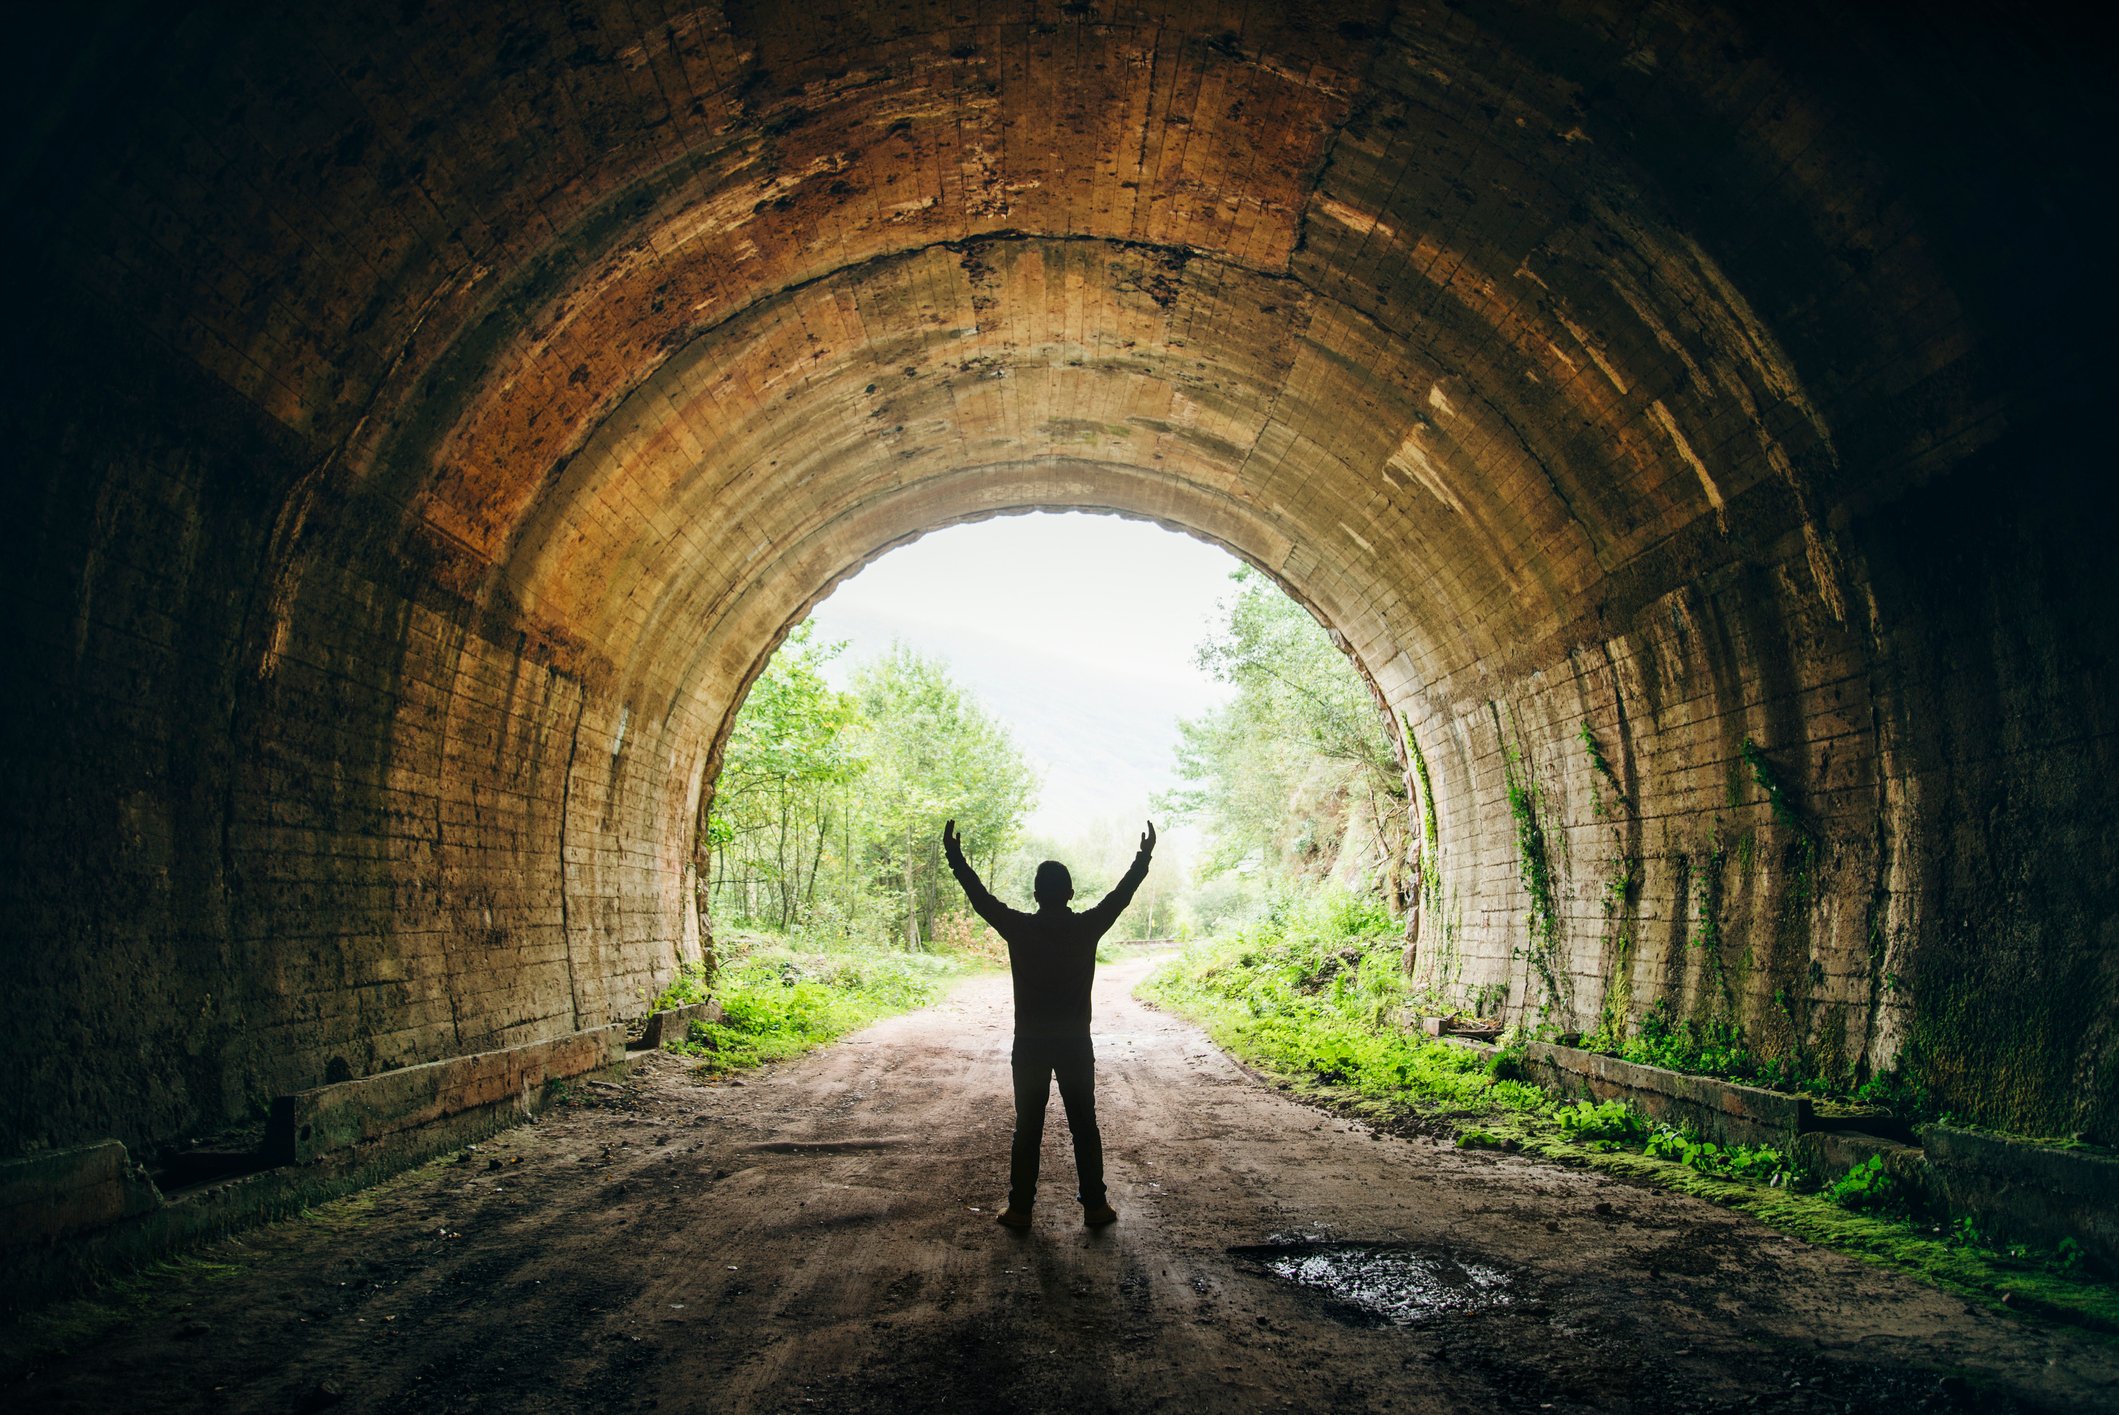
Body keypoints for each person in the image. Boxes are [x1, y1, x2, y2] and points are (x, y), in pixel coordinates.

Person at [942, 817, 1155, 1230]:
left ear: (1036, 894)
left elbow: (980, 898)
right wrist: (1142, 858)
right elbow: (1121, 896)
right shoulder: (1087, 926)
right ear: (1070, 894)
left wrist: (956, 856)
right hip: (1075, 1044)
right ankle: (1096, 1206)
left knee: (1028, 1129)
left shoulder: (1019, 928)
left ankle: (1020, 1210)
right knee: (1084, 1126)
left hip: (1031, 1046)